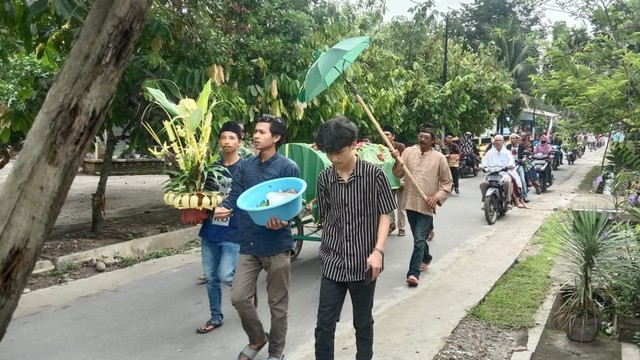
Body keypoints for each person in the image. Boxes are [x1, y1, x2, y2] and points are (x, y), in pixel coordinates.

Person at [213, 114, 301, 360]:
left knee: (278, 305)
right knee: (239, 297)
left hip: (277, 244)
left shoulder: (287, 168)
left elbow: (293, 204)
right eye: (255, 131)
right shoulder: (245, 166)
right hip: (249, 243)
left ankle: (276, 353)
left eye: (262, 132)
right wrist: (221, 206)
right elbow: (236, 196)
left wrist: (283, 220)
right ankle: (257, 338)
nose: (255, 135)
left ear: (276, 137)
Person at [313, 116, 396, 360]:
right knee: (324, 325)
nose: (334, 158)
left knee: (362, 323)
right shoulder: (325, 178)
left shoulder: (374, 175)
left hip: (364, 263)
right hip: (333, 261)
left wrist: (378, 251)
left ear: (354, 145)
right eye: (329, 153)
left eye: (338, 152)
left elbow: (385, 213)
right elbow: (327, 216)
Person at [196, 121, 247, 334]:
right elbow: (200, 195)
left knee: (226, 275)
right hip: (210, 231)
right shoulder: (210, 168)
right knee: (211, 278)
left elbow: (247, 198)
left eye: (232, 138)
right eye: (224, 138)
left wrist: (232, 207)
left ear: (239, 141)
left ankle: (245, 296)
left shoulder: (245, 169)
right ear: (219, 141)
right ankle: (216, 317)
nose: (227, 142)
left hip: (233, 231)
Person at [392, 124, 452, 287]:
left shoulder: (439, 158)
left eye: (427, 137)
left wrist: (436, 197)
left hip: (426, 205)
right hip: (410, 203)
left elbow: (447, 183)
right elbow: (398, 173)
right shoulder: (409, 152)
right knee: (419, 238)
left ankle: (413, 273)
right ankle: (426, 257)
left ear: (433, 140)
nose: (423, 139)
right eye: (421, 136)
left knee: (419, 239)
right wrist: (396, 160)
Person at [480, 135, 526, 208]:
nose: (498, 142)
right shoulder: (489, 153)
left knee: (507, 182)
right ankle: (484, 201)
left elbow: (511, 161)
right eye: (496, 140)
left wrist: (510, 165)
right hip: (491, 173)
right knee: (483, 184)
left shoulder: (507, 152)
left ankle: (508, 201)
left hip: (504, 173)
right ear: (493, 142)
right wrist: (482, 166)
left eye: (499, 140)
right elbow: (484, 162)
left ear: (503, 142)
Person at [382, 125, 406, 236]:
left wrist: (403, 181)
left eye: (387, 134)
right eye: (384, 134)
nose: (385, 136)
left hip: (399, 179)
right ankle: (391, 224)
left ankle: (402, 227)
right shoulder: (381, 148)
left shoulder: (400, 147)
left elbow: (404, 164)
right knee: (388, 205)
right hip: (388, 181)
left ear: (393, 136)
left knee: (401, 205)